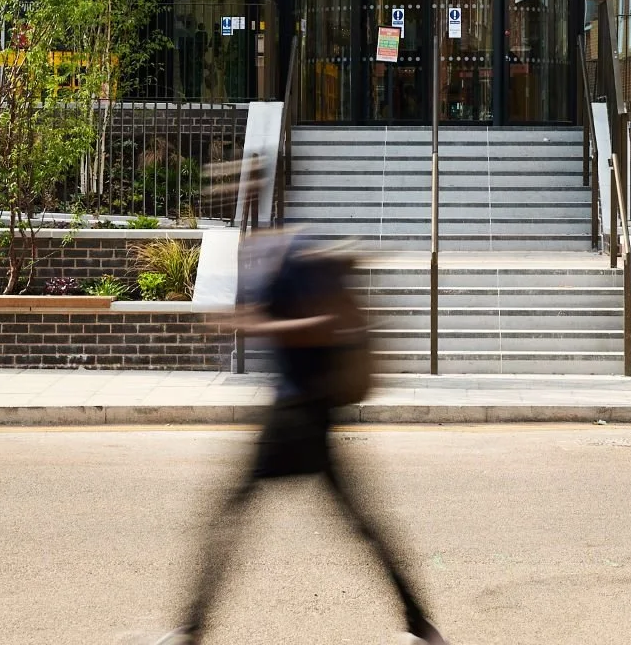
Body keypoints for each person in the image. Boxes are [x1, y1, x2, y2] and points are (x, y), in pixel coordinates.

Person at [151, 231, 449, 645]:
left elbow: (328, 325)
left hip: (299, 412)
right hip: (304, 410)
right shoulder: (270, 253)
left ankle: (190, 630)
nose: (224, 193)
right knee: (355, 525)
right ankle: (420, 625)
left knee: (231, 519)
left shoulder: (291, 252)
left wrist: (255, 322)